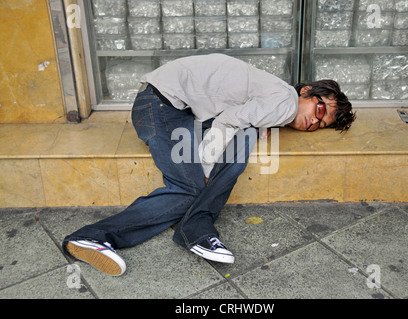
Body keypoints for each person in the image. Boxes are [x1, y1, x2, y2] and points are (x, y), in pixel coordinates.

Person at [62, 54, 355, 276]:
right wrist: (201, 170)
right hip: (162, 107)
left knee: (246, 135)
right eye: (319, 109)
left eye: (319, 124)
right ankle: (92, 237)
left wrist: (257, 127)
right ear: (305, 91)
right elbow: (229, 120)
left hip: (167, 107)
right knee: (188, 188)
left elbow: (234, 114)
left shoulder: (276, 97)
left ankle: (196, 225)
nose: (313, 121)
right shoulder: (285, 101)